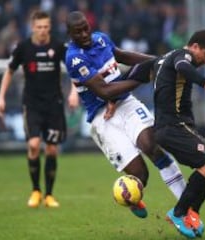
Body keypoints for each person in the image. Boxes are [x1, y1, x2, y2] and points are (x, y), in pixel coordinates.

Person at [64, 11, 186, 218]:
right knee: (140, 175)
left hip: (126, 103)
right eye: (78, 32)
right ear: (70, 34)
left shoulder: (101, 39)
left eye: (86, 28)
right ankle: (132, 198)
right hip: (102, 119)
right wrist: (143, 77)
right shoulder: (74, 59)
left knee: (152, 146)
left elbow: (123, 56)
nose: (85, 34)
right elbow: (104, 91)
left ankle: (186, 207)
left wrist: (158, 62)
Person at [0, 11, 80, 208]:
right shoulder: (23, 48)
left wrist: (74, 92)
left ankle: (49, 195)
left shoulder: (58, 46)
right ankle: (35, 190)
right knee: (34, 145)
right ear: (33, 27)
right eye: (39, 27)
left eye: (46, 27)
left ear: (49, 28)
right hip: (32, 104)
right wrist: (1, 98)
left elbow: (74, 68)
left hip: (54, 104)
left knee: (51, 148)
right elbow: (9, 72)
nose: (42, 31)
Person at [153, 30, 205, 238]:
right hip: (171, 127)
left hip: (179, 127)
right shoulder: (181, 56)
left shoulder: (162, 60)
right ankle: (179, 212)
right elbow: (183, 66)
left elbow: (137, 72)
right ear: (194, 47)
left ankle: (192, 211)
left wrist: (113, 97)